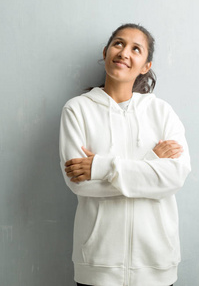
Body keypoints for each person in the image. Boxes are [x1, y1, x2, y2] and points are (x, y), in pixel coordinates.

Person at [59, 24, 191, 286]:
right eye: (118, 44)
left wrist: (101, 167)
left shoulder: (162, 113)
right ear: (106, 51)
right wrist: (151, 168)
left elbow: (175, 178)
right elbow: (80, 184)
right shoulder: (77, 110)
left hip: (156, 264)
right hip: (97, 265)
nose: (124, 52)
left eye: (136, 49)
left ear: (145, 65)